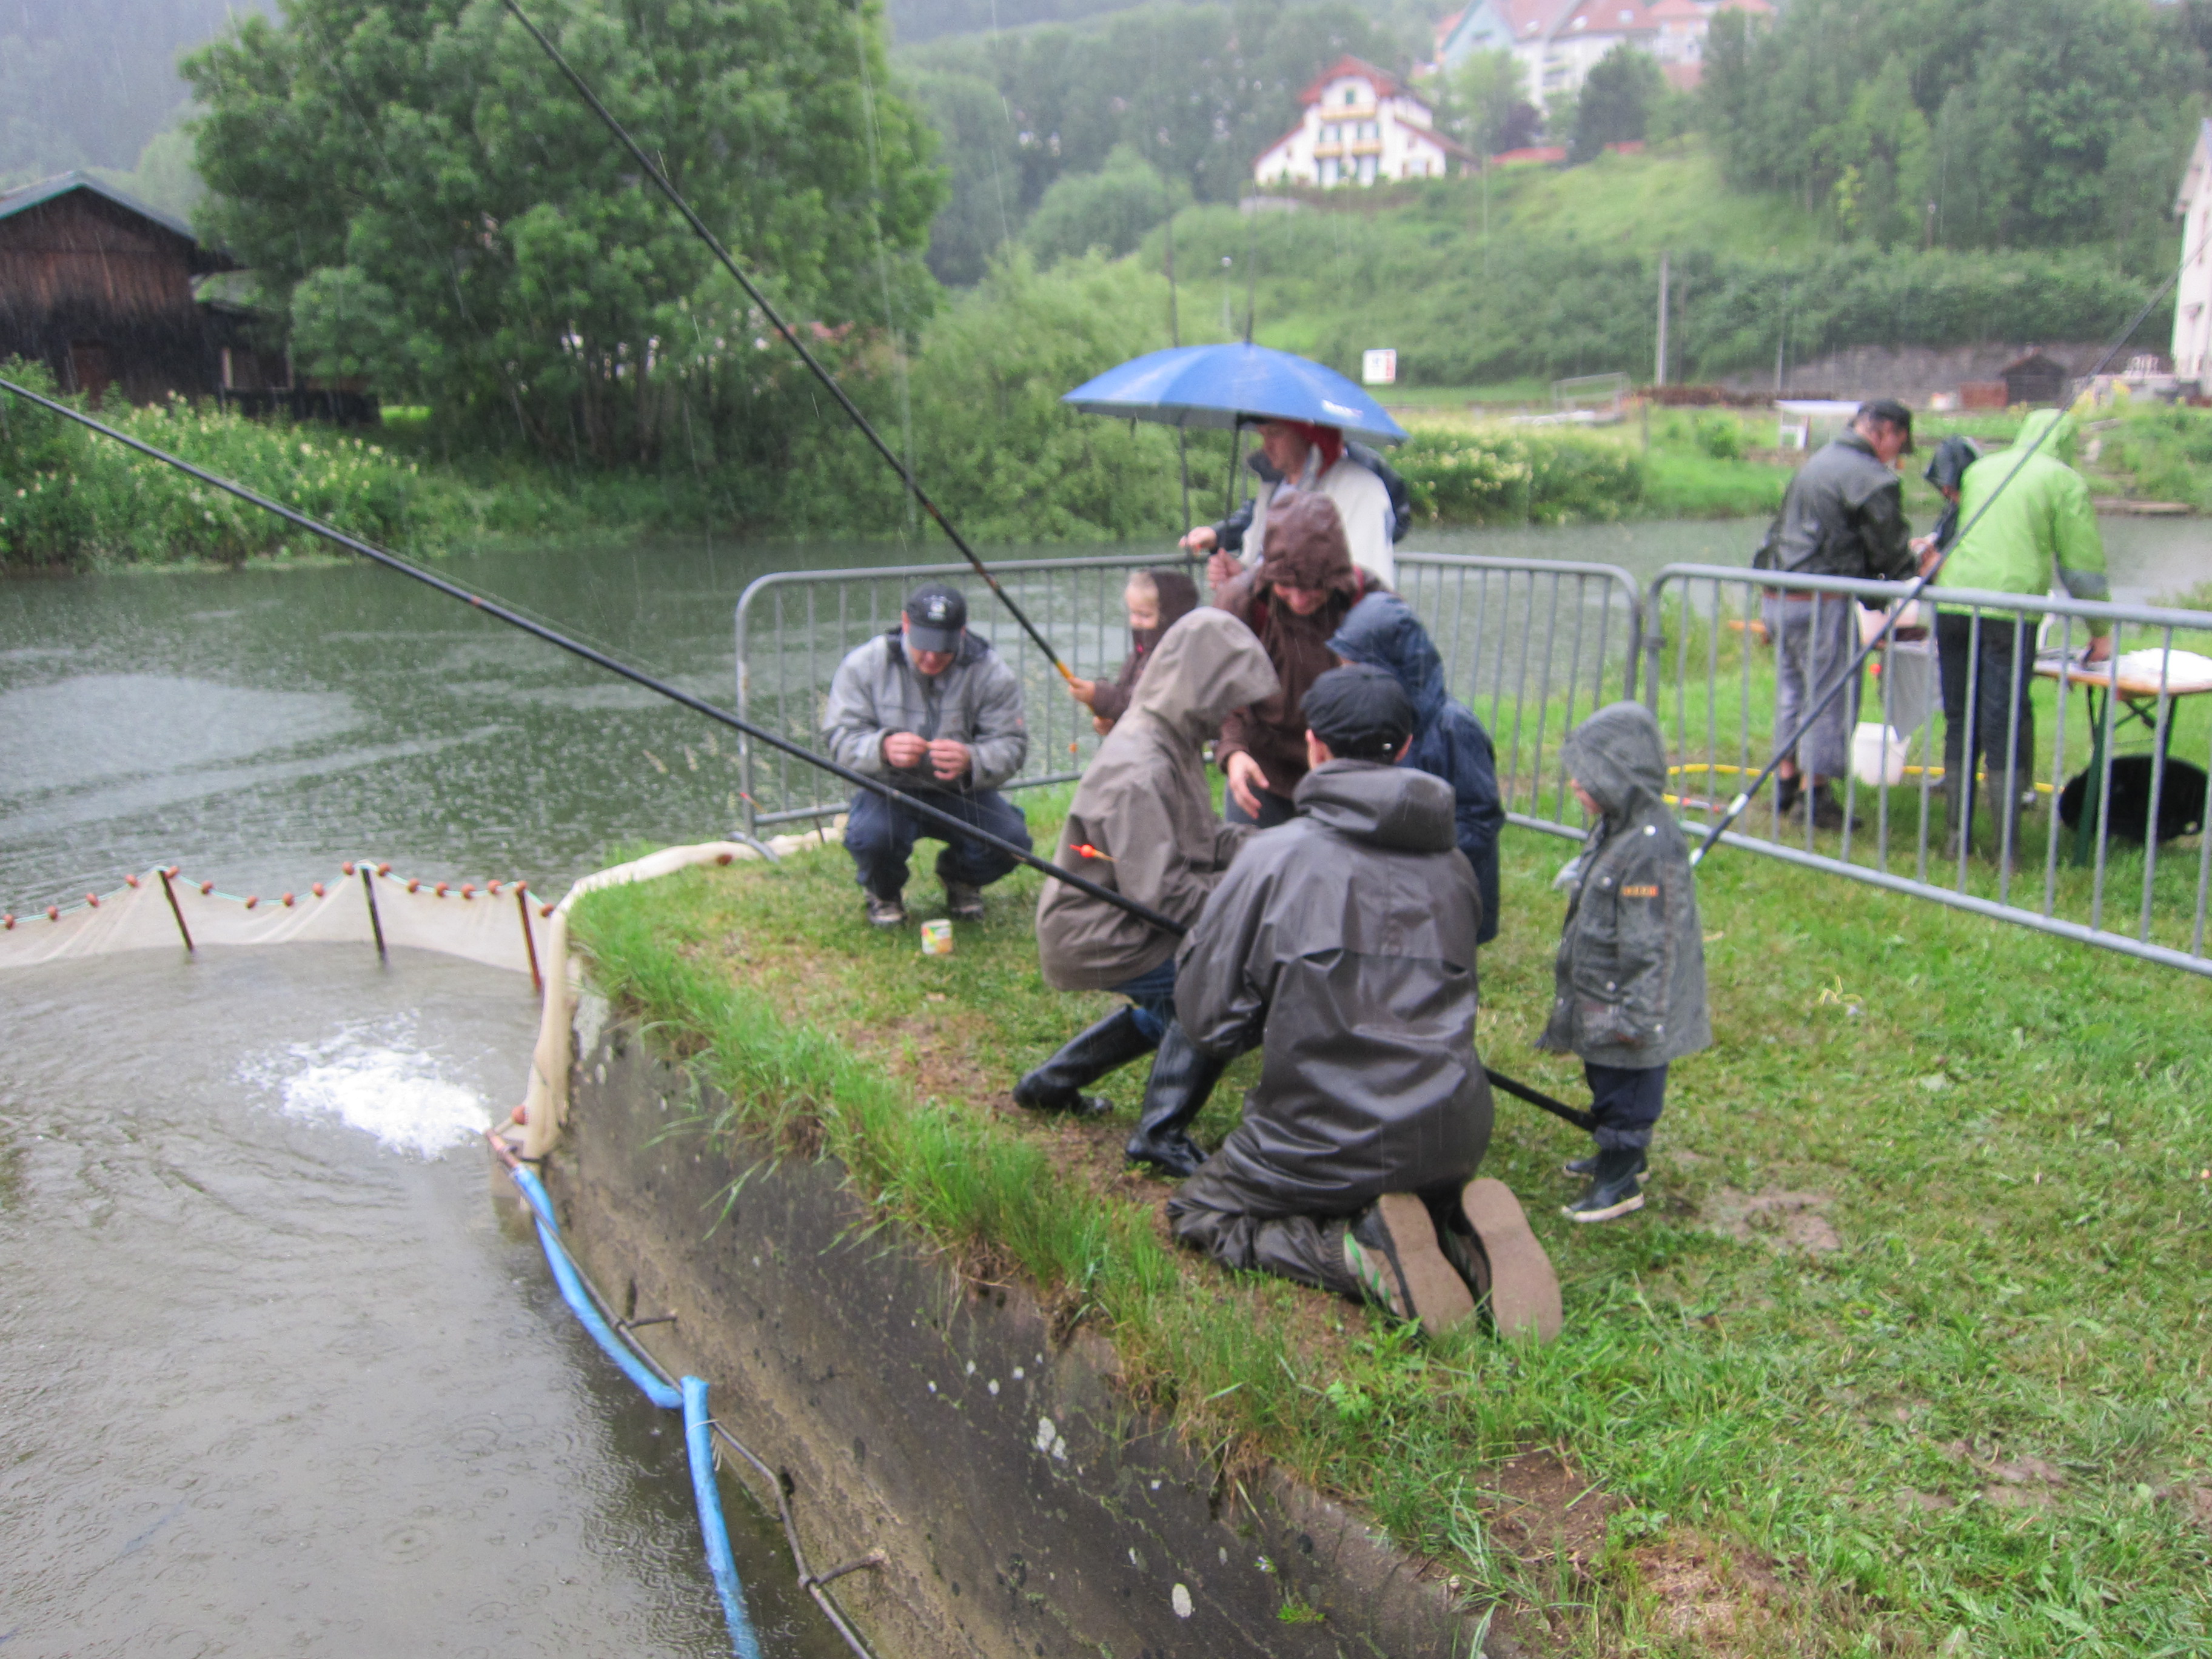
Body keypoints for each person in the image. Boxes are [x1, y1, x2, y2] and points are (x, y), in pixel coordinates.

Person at [1165, 664, 1563, 1341]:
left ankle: (1353, 1254)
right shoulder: (1456, 870)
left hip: (1322, 1140)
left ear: (1314, 745)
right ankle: (1458, 1241)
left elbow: (1208, 1023)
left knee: (1203, 1212)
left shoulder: (1270, 859)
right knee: (1409, 1177)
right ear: (1405, 748)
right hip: (1454, 1135)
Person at [1020, 611, 1280, 1179]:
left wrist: (1280, 849)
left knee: (1172, 1010)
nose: (1232, 717)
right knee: (1225, 991)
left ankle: (1048, 1085)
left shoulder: (1171, 738)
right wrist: (1261, 889)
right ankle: (1159, 1136)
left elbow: (1202, 839)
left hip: (1125, 919)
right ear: (1200, 688)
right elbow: (1169, 900)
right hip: (1103, 932)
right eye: (1228, 701)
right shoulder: (1142, 766)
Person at [1539, 702, 1710, 1223]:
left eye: (1587, 776)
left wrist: (1642, 1018)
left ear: (1621, 778)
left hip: (1632, 1004)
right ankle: (1619, 1155)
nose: (1575, 784)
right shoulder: (1615, 827)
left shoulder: (1650, 850)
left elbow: (1652, 943)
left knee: (1628, 1090)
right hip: (1605, 994)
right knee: (1605, 1076)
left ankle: (1622, 1176)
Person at [1929, 408, 2112, 859]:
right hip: (2009, 611)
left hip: (1953, 603)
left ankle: (1956, 839)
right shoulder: (2064, 480)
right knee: (2001, 723)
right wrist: (2100, 630)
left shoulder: (1982, 469)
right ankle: (2005, 849)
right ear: (2066, 442)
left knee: (1960, 718)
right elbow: (2082, 569)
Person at [821, 580, 1031, 928]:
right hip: (890, 788)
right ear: (905, 623)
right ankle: (884, 892)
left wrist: (972, 760)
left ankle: (961, 879)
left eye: (944, 649)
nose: (932, 658)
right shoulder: (864, 664)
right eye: (924, 646)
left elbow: (1012, 744)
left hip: (962, 791)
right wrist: (882, 748)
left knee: (1011, 842)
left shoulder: (992, 671)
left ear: (962, 632)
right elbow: (838, 736)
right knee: (871, 838)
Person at [1752, 398, 1919, 828]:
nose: (1897, 457)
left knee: (1792, 692)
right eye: (1899, 446)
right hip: (1820, 598)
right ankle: (1816, 798)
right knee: (1830, 697)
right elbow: (1888, 547)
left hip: (1779, 593)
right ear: (1886, 432)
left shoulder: (1819, 462)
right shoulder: (1871, 477)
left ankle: (1786, 784)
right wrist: (1915, 569)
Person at [1327, 589, 1507, 946]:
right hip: (1398, 883)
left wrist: (1418, 857)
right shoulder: (1377, 719)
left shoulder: (1453, 728)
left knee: (1440, 956)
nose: (1348, 678)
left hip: (1447, 886)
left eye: (1357, 668)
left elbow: (1481, 818)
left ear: (1391, 666)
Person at [1212, 492, 1375, 828]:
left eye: (1314, 587)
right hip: (1262, 770)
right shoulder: (1241, 603)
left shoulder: (1369, 601)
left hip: (1344, 775)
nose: (1300, 600)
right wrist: (1233, 751)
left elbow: (1397, 692)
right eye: (1287, 585)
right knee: (1251, 859)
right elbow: (1219, 689)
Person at [1179, 420, 1396, 588]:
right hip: (1276, 622)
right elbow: (1260, 565)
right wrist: (1240, 576)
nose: (1266, 446)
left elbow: (1364, 579)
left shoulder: (1358, 488)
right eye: (1262, 435)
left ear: (1307, 433)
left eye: (1275, 433)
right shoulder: (1273, 488)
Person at [1064, 567, 1199, 736]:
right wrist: (1113, 722)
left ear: (1169, 618)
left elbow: (1142, 704)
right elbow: (1126, 697)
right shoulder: (1140, 652)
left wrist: (1097, 695)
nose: (1136, 621)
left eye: (1145, 615)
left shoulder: (1172, 658)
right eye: (1133, 613)